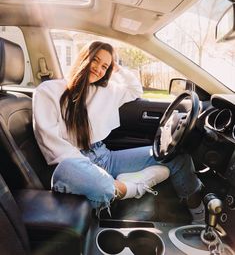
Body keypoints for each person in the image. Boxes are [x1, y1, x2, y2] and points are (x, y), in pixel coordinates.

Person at [33, 41, 205, 223]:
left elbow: (135, 89)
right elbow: (50, 142)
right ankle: (133, 186)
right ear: (84, 58)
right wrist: (91, 170)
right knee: (72, 171)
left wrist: (116, 68)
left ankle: (200, 216)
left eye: (104, 66)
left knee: (176, 158)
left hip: (104, 156)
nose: (99, 69)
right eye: (95, 61)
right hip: (73, 162)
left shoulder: (106, 91)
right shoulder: (48, 91)